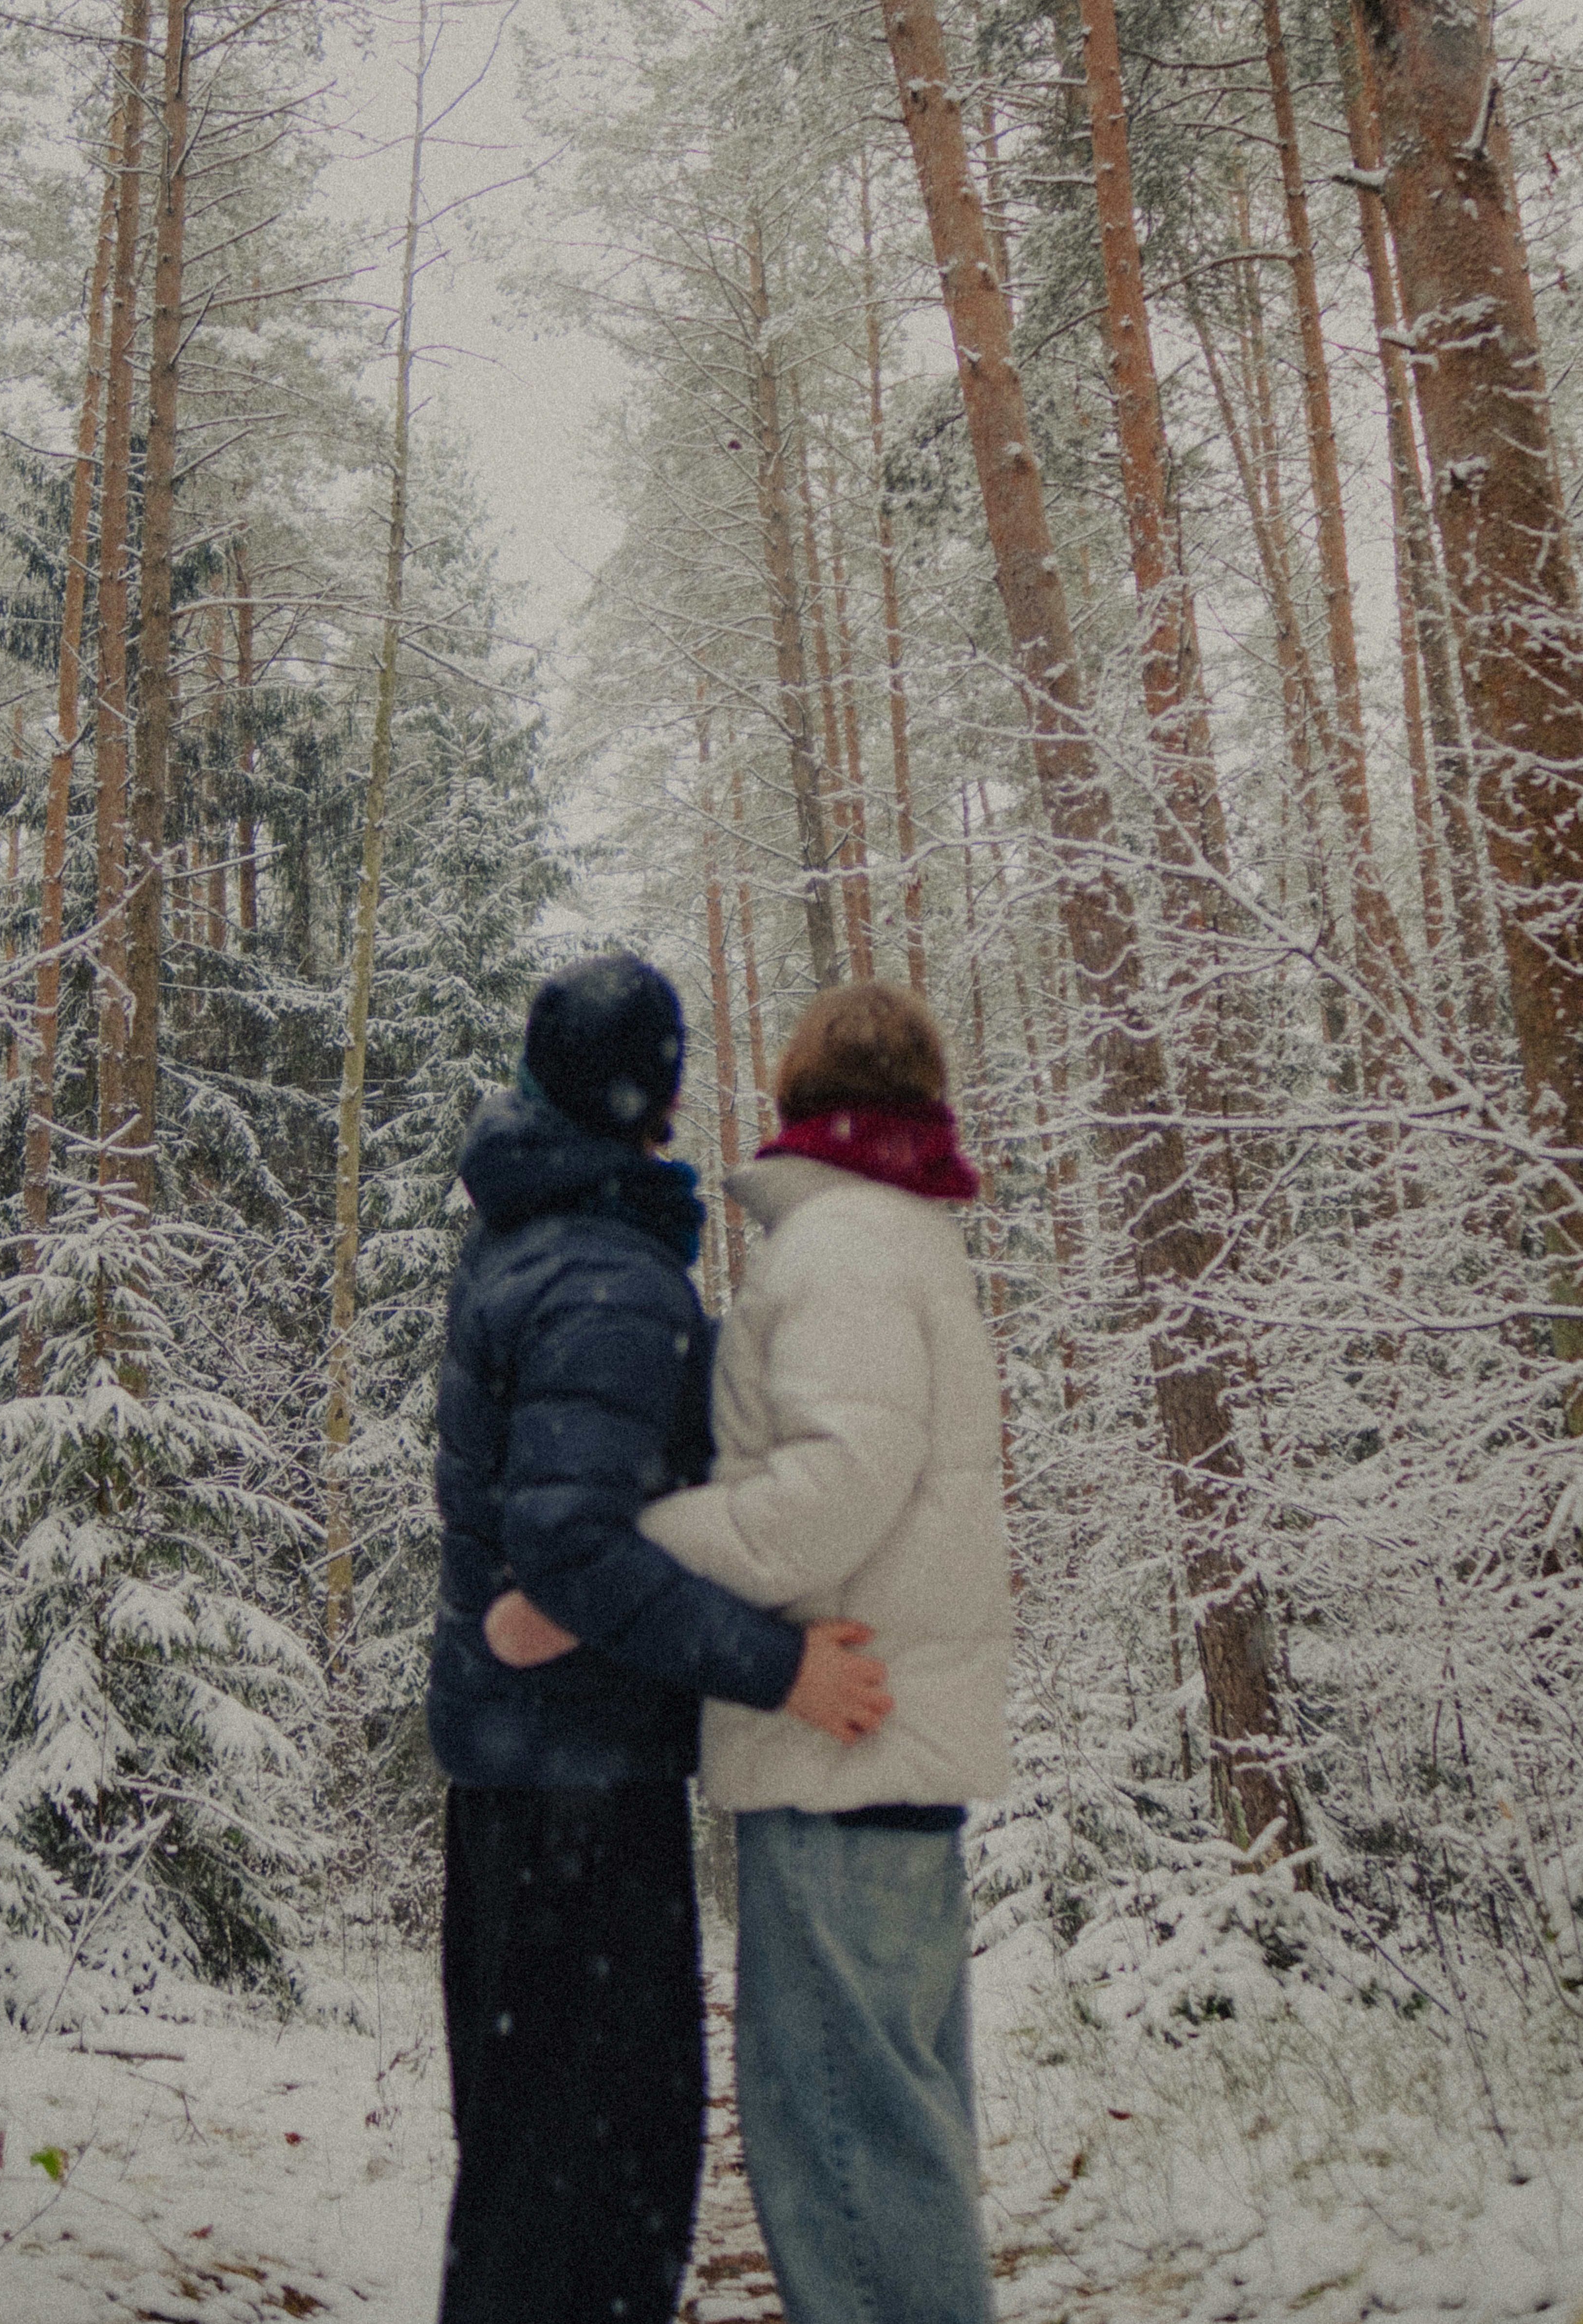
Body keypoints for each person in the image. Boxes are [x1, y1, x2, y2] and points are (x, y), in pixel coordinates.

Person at [489, 979, 1012, 2324]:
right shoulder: (895, 1237)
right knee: (890, 2139)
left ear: (795, 1101)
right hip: (872, 1746)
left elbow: (832, 1489)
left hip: (843, 1749)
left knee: (846, 2154)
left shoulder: (840, 1245)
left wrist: (644, 1535)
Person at [426, 951, 893, 2324]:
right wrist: (784, 1665)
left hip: (526, 1772)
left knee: (530, 2173)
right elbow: (571, 1546)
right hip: (575, 1784)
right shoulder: (606, 1275)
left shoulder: (526, 1237)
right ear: (659, 1092)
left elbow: (546, 1537)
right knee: (599, 2183)